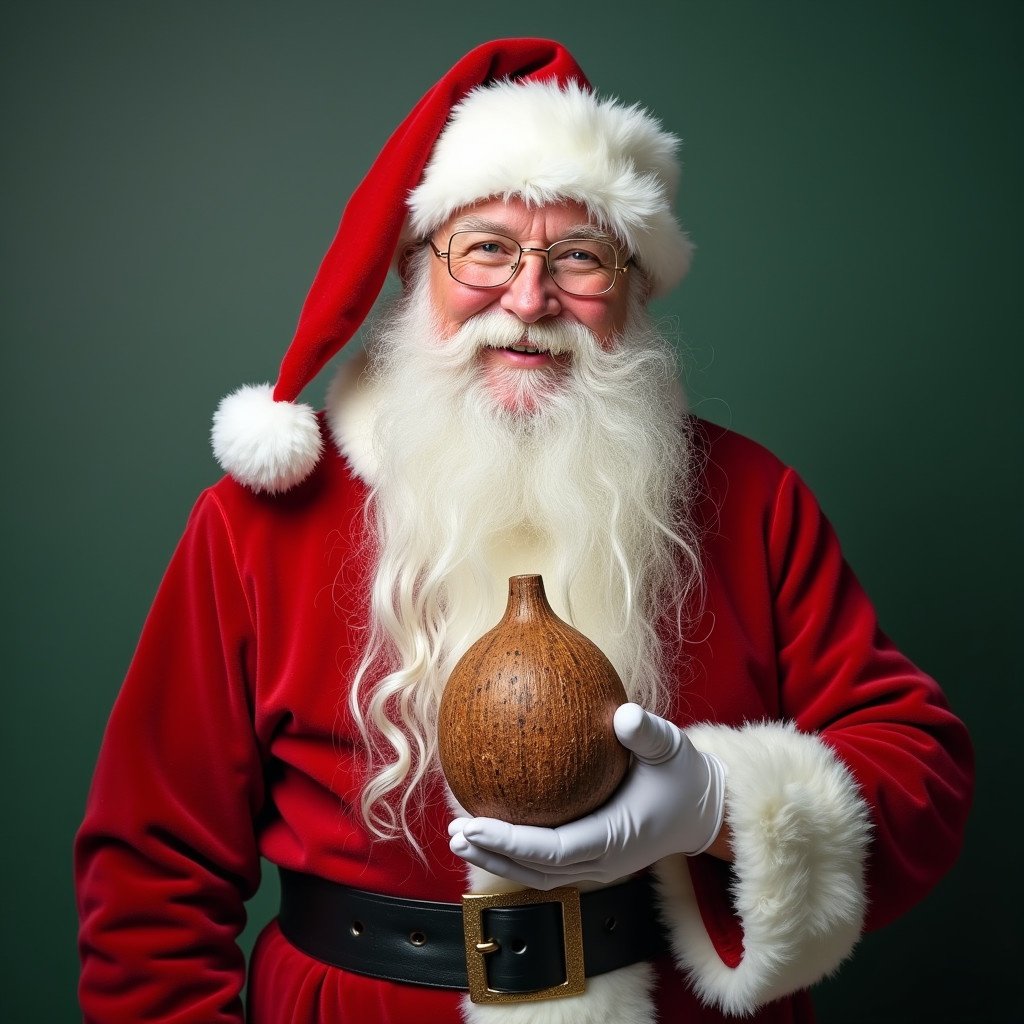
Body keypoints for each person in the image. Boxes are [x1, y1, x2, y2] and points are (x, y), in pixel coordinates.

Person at [75, 38, 973, 1024]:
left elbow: (916, 765)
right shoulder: (256, 524)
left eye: (578, 256)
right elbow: (149, 878)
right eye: (487, 246)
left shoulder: (753, 499)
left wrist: (719, 804)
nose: (529, 298)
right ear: (418, 267)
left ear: (630, 287)